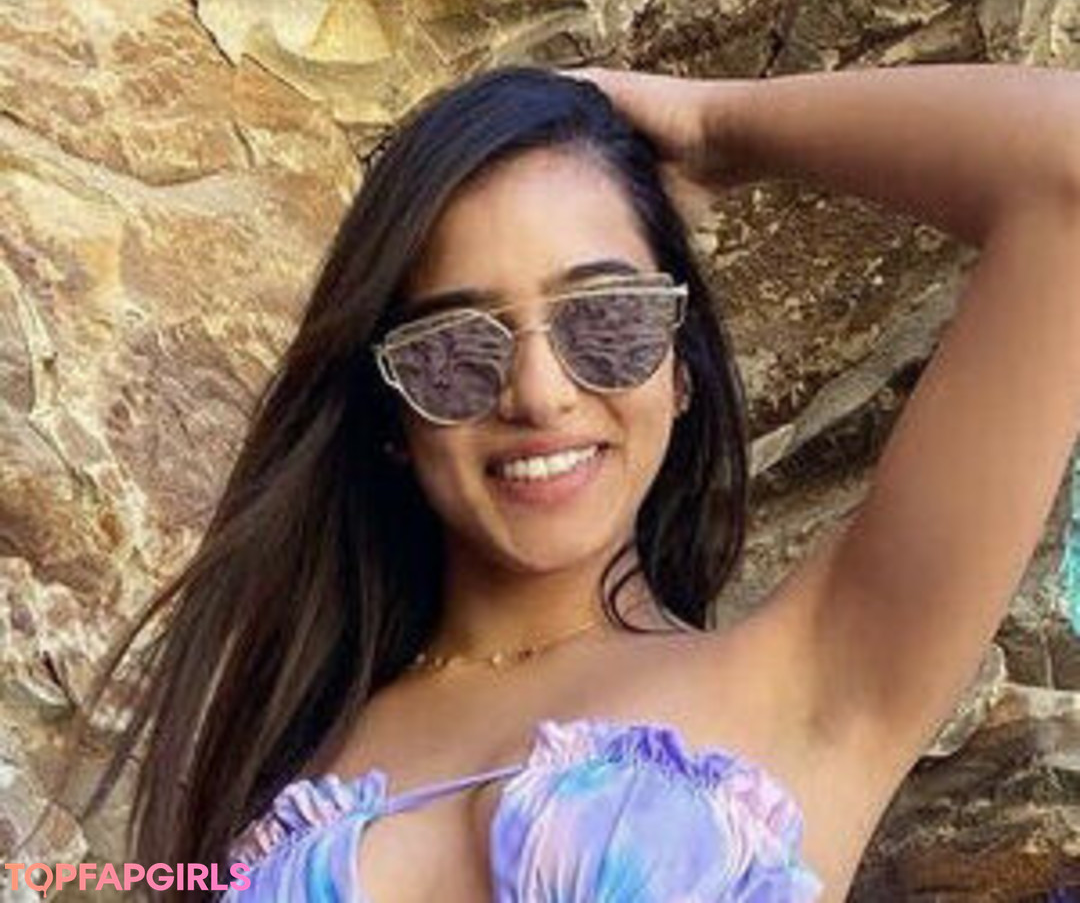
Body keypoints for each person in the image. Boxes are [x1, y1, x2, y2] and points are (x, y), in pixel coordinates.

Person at [48, 62, 1080, 901]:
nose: (540, 393)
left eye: (608, 319)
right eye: (458, 346)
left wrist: (719, 126)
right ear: (392, 415)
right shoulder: (279, 752)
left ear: (681, 369)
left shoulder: (820, 678)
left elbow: (1065, 167)